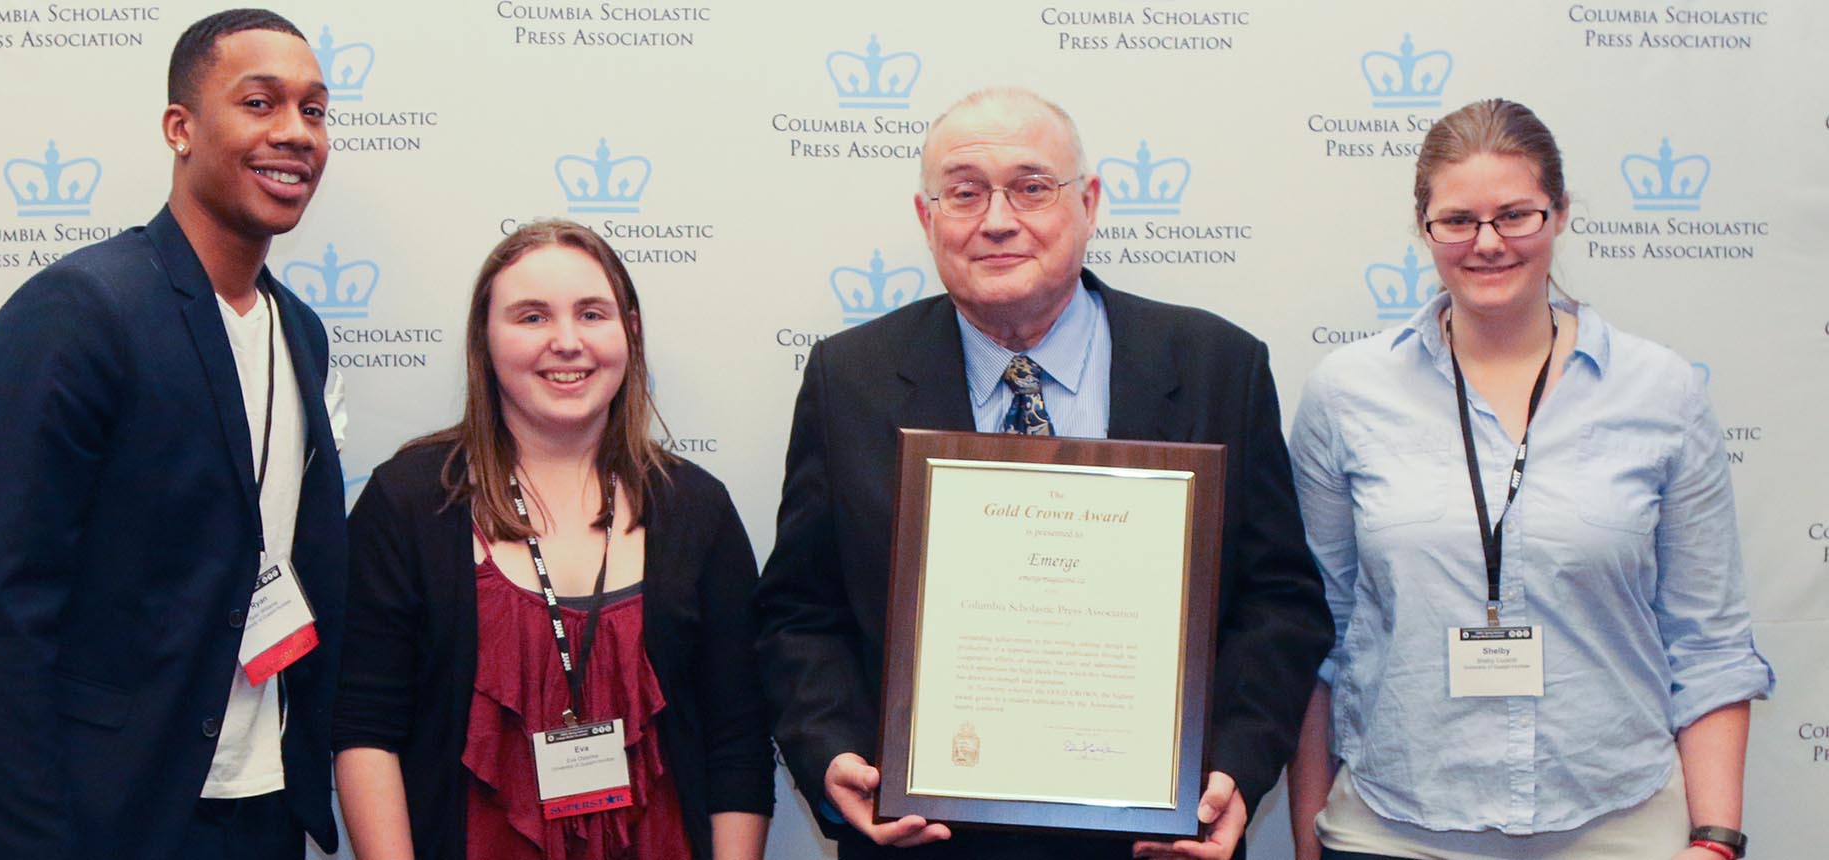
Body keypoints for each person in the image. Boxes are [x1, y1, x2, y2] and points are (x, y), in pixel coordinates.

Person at [755, 87, 1333, 860]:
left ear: (1089, 204)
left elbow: (1279, 604)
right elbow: (800, 612)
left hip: (1155, 841)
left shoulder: (1215, 367)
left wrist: (1233, 765)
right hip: (925, 841)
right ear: (928, 220)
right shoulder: (849, 377)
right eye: (964, 193)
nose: (997, 220)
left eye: (1032, 188)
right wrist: (834, 753)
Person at [1284, 98, 1774, 860]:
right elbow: (1318, 632)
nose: (1488, 244)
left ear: (1561, 215)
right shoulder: (1346, 394)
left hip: (1618, 826)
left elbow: (1707, 641)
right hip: (1393, 828)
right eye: (1459, 220)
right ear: (1424, 226)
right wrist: (1309, 837)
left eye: (1516, 215)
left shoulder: (1661, 392)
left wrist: (1715, 841)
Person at [0, 9, 348, 860]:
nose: (294, 133)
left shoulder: (302, 333)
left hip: (261, 802)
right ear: (181, 128)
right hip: (104, 812)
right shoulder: (79, 313)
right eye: (261, 102)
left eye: (314, 110)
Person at [332, 220, 773, 860]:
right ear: (485, 340)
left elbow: (737, 742)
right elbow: (366, 731)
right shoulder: (409, 502)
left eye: (591, 314)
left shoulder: (697, 510)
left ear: (630, 330)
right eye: (532, 317)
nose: (566, 342)